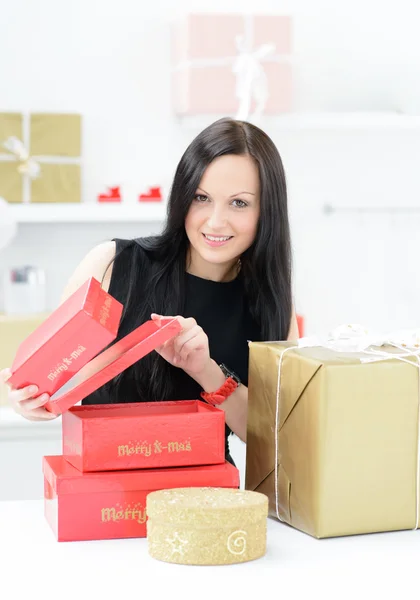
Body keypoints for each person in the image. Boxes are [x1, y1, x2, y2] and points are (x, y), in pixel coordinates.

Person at [0, 117, 298, 465]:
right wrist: (28, 401)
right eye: (201, 197)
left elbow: (271, 436)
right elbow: (48, 383)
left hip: (206, 499)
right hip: (107, 494)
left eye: (239, 203)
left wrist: (205, 370)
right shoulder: (112, 264)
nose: (216, 221)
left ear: (267, 210)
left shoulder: (272, 301)